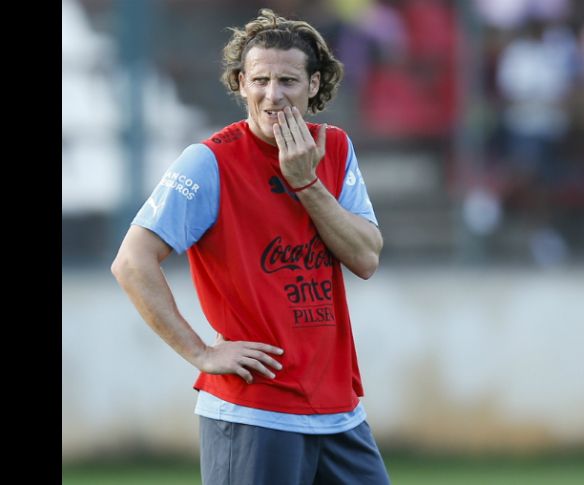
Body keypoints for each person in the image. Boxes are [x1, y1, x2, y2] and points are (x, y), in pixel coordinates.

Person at [111, 8, 388, 485]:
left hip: (339, 408)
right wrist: (202, 354)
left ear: (315, 84)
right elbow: (131, 262)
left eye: (288, 80)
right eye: (259, 80)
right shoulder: (208, 161)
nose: (272, 95)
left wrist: (306, 184)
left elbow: (365, 257)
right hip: (253, 411)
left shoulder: (335, 149)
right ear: (240, 83)